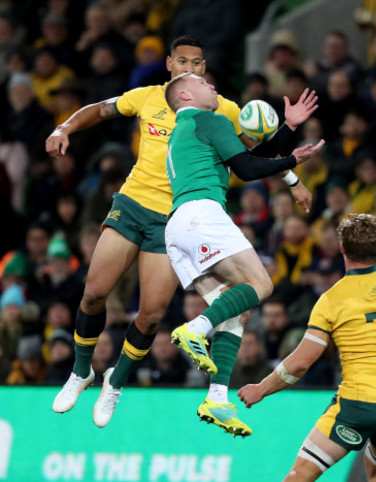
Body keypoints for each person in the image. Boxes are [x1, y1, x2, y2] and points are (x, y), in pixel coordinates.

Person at [47, 35, 316, 429]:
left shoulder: (220, 107)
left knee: (152, 314)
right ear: (170, 65)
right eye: (183, 61)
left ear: (204, 69)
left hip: (173, 218)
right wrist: (64, 127)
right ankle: (80, 372)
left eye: (198, 63)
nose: (191, 68)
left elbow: (245, 156)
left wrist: (292, 178)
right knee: (94, 294)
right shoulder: (149, 97)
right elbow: (101, 110)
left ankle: (115, 382)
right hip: (135, 204)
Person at [161, 71, 323, 437]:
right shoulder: (210, 120)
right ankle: (195, 328)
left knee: (238, 311)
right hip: (202, 216)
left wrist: (288, 128)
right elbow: (250, 169)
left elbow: (245, 159)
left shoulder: (187, 131)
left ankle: (217, 398)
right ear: (185, 96)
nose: (213, 85)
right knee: (261, 283)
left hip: (178, 228)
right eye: (204, 84)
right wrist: (293, 163)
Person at [238, 213, 376, 482]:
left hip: (357, 404)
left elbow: (301, 363)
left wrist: (261, 389)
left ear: (342, 248)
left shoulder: (332, 299)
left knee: (302, 473)